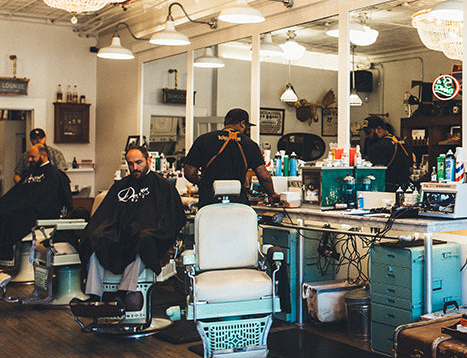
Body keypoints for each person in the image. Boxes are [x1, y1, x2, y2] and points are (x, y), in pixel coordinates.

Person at [72, 144, 186, 314]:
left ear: (148, 160)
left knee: (143, 241)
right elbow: (106, 215)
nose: (134, 167)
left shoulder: (163, 186)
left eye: (138, 162)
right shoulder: (121, 186)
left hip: (148, 235)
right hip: (121, 235)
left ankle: (122, 293)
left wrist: (151, 231)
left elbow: (173, 219)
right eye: (130, 164)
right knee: (96, 239)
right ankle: (94, 297)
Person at [183, 108, 279, 208]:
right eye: (246, 126)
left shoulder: (203, 140)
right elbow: (263, 176)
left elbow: (189, 172)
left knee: (208, 222)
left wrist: (204, 184)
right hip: (238, 202)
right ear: (242, 123)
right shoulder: (250, 145)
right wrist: (272, 194)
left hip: (209, 201)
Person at [0, 144, 72, 264]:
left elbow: (57, 202)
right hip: (25, 208)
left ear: (43, 155)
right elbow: (16, 194)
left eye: (32, 157)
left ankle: (5, 252)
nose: (29, 160)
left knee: (9, 214)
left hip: (40, 213)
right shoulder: (30, 173)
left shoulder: (56, 175)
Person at [362, 115, 414, 192]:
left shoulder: (376, 148)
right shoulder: (404, 143)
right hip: (406, 189)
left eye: (368, 132)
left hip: (387, 190)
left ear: (378, 129)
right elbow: (410, 170)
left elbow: (377, 175)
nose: (366, 136)